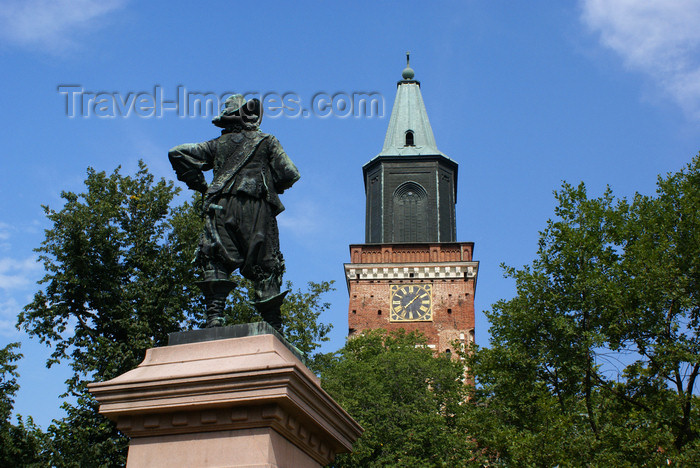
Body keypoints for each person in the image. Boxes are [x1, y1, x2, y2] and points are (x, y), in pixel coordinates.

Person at [168, 94, 300, 329]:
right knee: (265, 264)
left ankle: (214, 317)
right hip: (256, 209)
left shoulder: (216, 145)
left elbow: (177, 153)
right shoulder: (267, 141)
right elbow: (289, 173)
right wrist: (271, 184)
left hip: (221, 207)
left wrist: (201, 186)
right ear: (248, 117)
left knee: (216, 260)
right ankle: (272, 324)